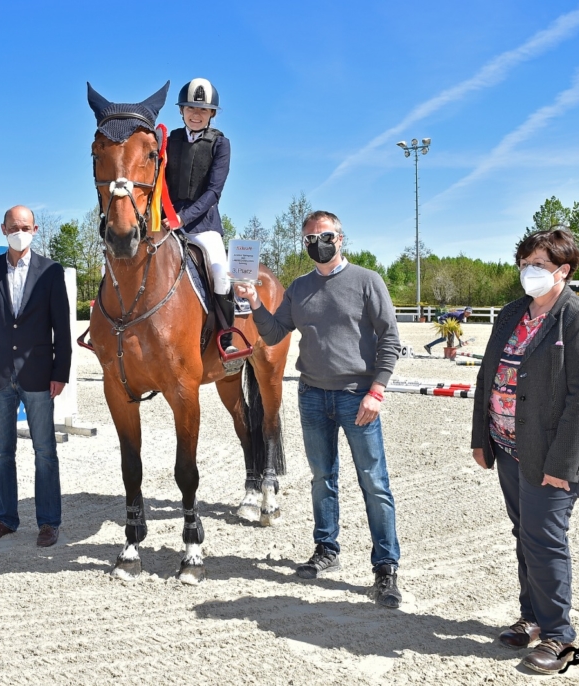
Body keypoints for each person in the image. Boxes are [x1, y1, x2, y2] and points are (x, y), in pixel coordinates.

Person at [234, 210, 405, 608]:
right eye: (309, 238)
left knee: (374, 483)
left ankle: (385, 567)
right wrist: (256, 303)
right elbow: (275, 332)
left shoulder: (367, 281)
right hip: (312, 395)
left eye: (324, 236)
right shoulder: (299, 287)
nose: (316, 243)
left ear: (340, 239)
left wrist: (377, 390)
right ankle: (326, 549)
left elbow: (390, 338)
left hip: (357, 396)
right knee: (321, 478)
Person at [470, 228, 579, 674]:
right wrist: (482, 436)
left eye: (538, 266)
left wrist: (562, 466)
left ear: (563, 271)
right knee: (525, 535)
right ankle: (532, 618)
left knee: (544, 540)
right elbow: (488, 375)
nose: (528, 273)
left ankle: (559, 636)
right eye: (524, 264)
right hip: (510, 447)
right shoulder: (513, 313)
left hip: (555, 456)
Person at [0, 205, 72, 548]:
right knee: (3, 452)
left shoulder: (51, 271)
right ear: (3, 229)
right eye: (14, 226)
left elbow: (62, 327)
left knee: (45, 451)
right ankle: (6, 518)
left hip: (39, 374)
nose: (20, 231)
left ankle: (48, 521)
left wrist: (61, 372)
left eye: (26, 226)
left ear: (36, 229)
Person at [162, 77, 237, 352]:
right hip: (166, 220)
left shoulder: (221, 144)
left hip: (203, 225)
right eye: (190, 108)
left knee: (220, 272)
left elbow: (214, 192)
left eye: (202, 110)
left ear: (212, 113)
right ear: (181, 111)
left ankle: (226, 338)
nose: (196, 114)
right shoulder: (169, 141)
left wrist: (183, 217)